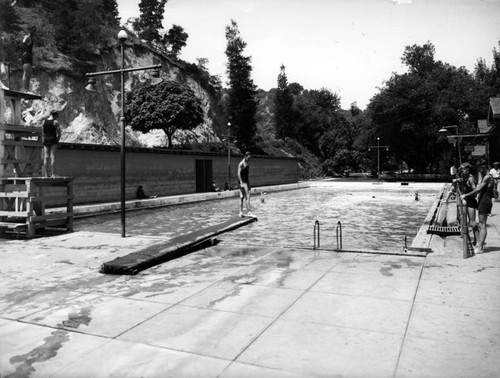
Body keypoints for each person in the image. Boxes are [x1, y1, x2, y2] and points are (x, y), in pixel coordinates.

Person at [461, 161, 494, 254]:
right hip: (482, 201)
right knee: (481, 224)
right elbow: (479, 185)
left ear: (483, 168)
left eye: (479, 170)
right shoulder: (485, 177)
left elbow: (477, 189)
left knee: (482, 225)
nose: (478, 172)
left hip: (485, 201)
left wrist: (465, 195)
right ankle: (479, 244)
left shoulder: (488, 177)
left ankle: (480, 247)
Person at [458, 163, 479, 246]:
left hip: (471, 202)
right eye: (461, 171)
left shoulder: (470, 179)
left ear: (467, 170)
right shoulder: (464, 179)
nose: (462, 172)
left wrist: (466, 195)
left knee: (472, 222)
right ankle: (467, 237)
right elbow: (460, 191)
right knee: (463, 220)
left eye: (462, 170)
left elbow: (476, 191)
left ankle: (478, 241)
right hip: (466, 201)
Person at [42, 110, 61, 177]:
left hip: (46, 139)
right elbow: (59, 133)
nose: (57, 117)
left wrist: (44, 139)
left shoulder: (44, 121)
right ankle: (53, 174)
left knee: (46, 157)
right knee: (52, 156)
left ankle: (46, 174)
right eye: (56, 116)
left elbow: (43, 132)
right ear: (54, 115)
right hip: (53, 139)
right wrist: (57, 140)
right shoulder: (56, 122)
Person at [237, 151, 253, 217]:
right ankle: (249, 212)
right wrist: (241, 182)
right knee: (247, 196)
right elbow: (238, 173)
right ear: (245, 156)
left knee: (242, 197)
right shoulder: (242, 164)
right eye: (249, 157)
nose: (250, 159)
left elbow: (247, 175)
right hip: (243, 182)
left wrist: (249, 183)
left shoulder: (246, 163)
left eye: (250, 158)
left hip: (245, 181)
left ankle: (240, 212)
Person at [21, 27, 34, 93]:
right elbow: (23, 43)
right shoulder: (27, 36)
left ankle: (27, 90)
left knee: (29, 75)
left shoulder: (31, 38)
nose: (33, 32)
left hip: (29, 58)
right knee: (26, 74)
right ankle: (24, 90)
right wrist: (27, 52)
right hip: (26, 57)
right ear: (29, 31)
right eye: (32, 30)